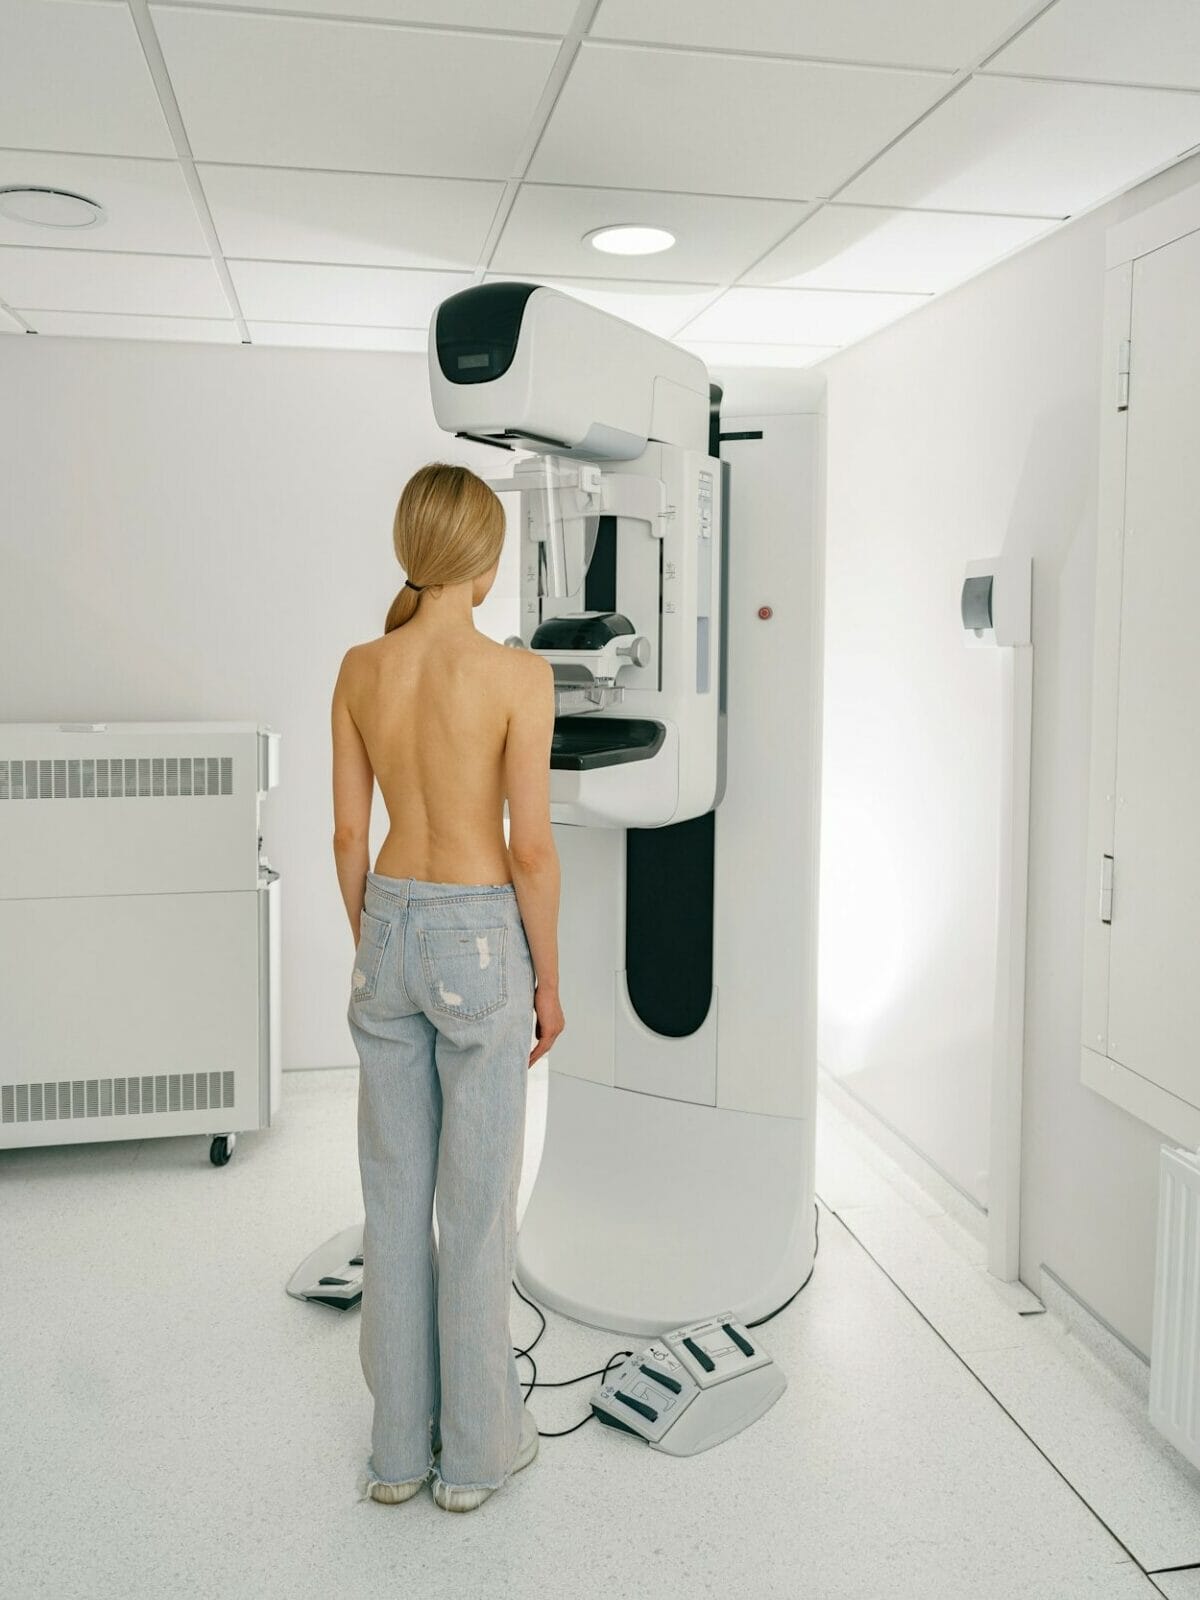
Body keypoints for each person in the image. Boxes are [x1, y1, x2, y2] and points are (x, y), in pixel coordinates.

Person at [330, 461, 565, 1513]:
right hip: (478, 937)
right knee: (474, 1210)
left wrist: (376, 942)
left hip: (390, 919)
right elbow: (530, 850)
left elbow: (347, 832)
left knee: (393, 1201)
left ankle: (396, 1456)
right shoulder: (518, 675)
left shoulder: (361, 664)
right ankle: (474, 1458)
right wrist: (546, 979)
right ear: (484, 553)